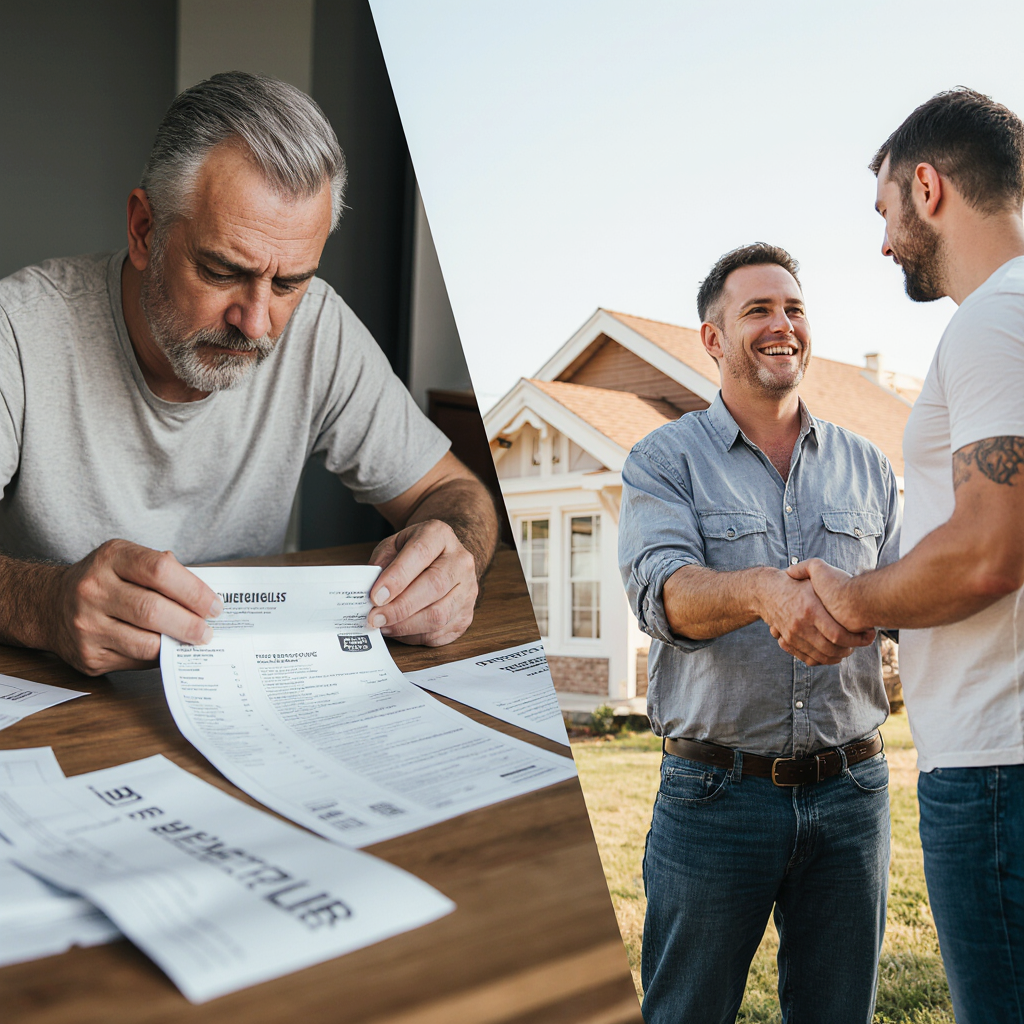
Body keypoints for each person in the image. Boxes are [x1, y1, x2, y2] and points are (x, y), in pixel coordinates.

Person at [0, 71, 497, 677]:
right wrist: (43, 604)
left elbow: (455, 493)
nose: (257, 324)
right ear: (143, 230)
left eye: (289, 282)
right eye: (221, 271)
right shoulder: (19, 331)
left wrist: (454, 554)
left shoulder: (319, 327)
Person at [788, 88, 1024, 1024]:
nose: (884, 242)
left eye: (885, 212)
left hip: (997, 766)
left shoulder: (994, 321)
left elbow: (987, 552)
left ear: (926, 187)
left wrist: (850, 597)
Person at [618, 243, 901, 1024]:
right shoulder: (664, 460)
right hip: (714, 799)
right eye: (759, 310)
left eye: (795, 309)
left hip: (852, 794)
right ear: (713, 338)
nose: (783, 326)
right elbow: (661, 594)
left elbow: (905, 601)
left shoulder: (869, 466)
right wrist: (761, 592)